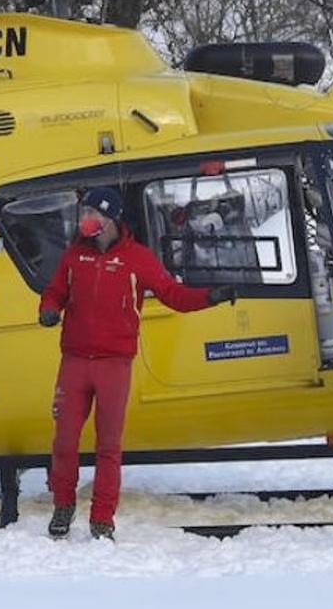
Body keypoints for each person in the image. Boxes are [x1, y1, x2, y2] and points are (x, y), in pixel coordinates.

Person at [39, 187, 236, 540]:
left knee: (108, 445)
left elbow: (173, 295)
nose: (87, 220)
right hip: (74, 361)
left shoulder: (138, 258)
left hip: (114, 364)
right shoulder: (73, 257)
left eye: (93, 214)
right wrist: (49, 309)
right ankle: (63, 505)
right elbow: (55, 290)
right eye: (85, 214)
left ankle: (102, 518)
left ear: (111, 219)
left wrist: (210, 297)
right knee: (64, 440)